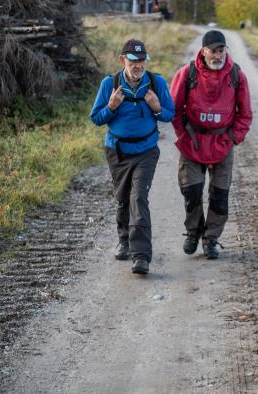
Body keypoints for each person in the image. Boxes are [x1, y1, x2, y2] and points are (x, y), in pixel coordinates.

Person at [90, 39, 175, 275]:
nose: (138, 66)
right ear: (122, 60)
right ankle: (124, 241)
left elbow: (170, 114)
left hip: (146, 151)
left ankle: (141, 255)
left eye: (141, 61)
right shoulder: (110, 84)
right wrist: (112, 107)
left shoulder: (156, 83)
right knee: (123, 197)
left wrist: (157, 107)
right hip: (117, 151)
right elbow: (96, 119)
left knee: (138, 197)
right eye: (133, 61)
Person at [170, 30, 253, 259]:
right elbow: (174, 109)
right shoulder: (187, 73)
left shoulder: (237, 75)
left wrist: (234, 138)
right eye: (212, 51)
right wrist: (182, 135)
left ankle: (211, 239)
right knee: (191, 190)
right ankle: (193, 233)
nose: (217, 56)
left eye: (220, 51)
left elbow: (245, 114)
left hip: (222, 142)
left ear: (225, 51)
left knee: (220, 195)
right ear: (203, 51)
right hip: (193, 141)